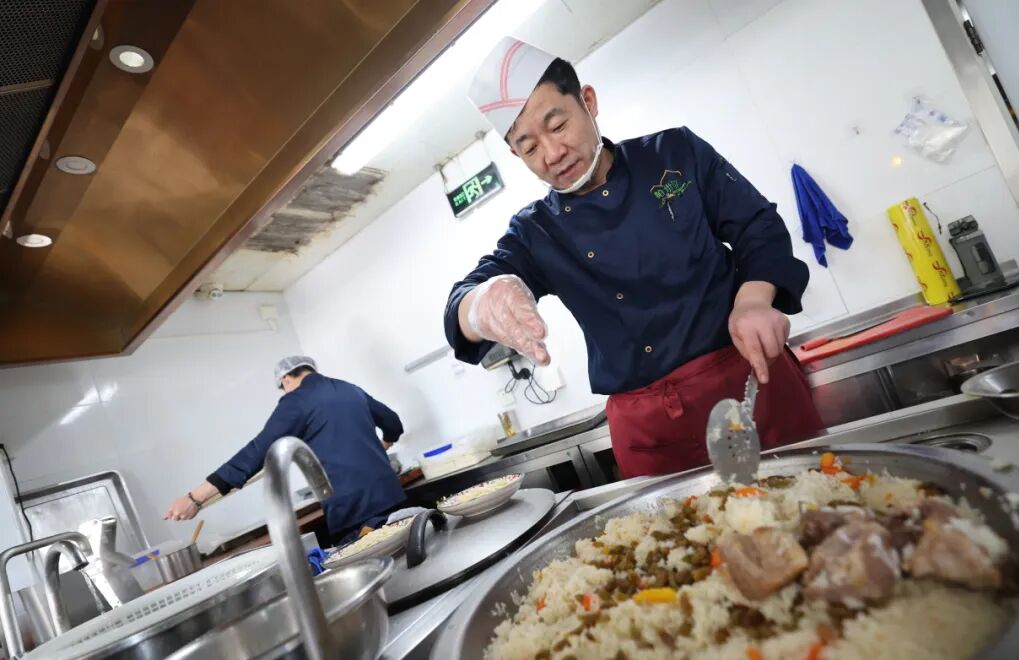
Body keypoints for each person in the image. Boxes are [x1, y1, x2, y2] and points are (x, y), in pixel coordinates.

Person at [444, 38, 824, 479]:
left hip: (747, 380)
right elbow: (463, 302)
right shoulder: (535, 231)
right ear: (516, 154)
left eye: (558, 125)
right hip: (652, 432)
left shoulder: (675, 152)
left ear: (588, 102)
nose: (552, 154)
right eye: (529, 148)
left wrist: (753, 301)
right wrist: (481, 302)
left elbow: (757, 226)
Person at [163, 356, 406, 544]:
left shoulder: (297, 400)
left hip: (355, 512)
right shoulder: (349, 389)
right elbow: (393, 423)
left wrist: (194, 498)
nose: (284, 392)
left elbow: (257, 452)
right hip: (393, 496)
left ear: (286, 379)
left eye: (282, 387)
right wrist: (380, 448)